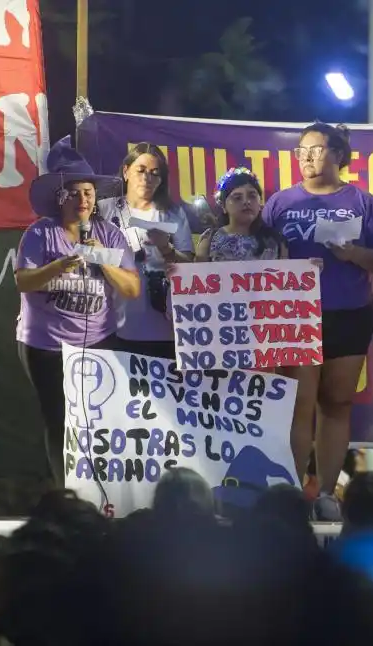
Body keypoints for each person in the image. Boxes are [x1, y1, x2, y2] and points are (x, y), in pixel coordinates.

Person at [262, 122, 373, 520]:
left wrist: (356, 256)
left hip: (350, 313)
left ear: (338, 154)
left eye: (316, 150)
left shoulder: (363, 202)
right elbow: (256, 256)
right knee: (300, 405)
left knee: (337, 403)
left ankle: (328, 493)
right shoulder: (280, 203)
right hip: (295, 314)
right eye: (302, 151)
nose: (308, 158)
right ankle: (294, 494)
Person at [15, 140, 140, 486]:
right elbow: (23, 282)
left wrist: (101, 259)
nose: (83, 200)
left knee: (98, 421)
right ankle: (65, 492)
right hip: (45, 347)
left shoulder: (110, 235)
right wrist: (59, 265)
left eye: (88, 192)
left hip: (99, 342)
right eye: (75, 193)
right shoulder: (40, 233)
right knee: (60, 421)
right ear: (60, 198)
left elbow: (131, 289)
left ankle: (98, 492)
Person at [99, 143, 195, 359]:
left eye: (155, 173)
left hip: (167, 329)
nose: (147, 178)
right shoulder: (104, 209)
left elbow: (189, 269)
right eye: (140, 170)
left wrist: (166, 248)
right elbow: (83, 253)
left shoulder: (173, 213)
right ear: (126, 172)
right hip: (117, 326)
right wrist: (120, 260)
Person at [195, 167, 287, 262]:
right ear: (223, 206)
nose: (246, 202)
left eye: (252, 196)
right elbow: (199, 274)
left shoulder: (277, 241)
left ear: (260, 203)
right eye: (237, 198)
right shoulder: (209, 240)